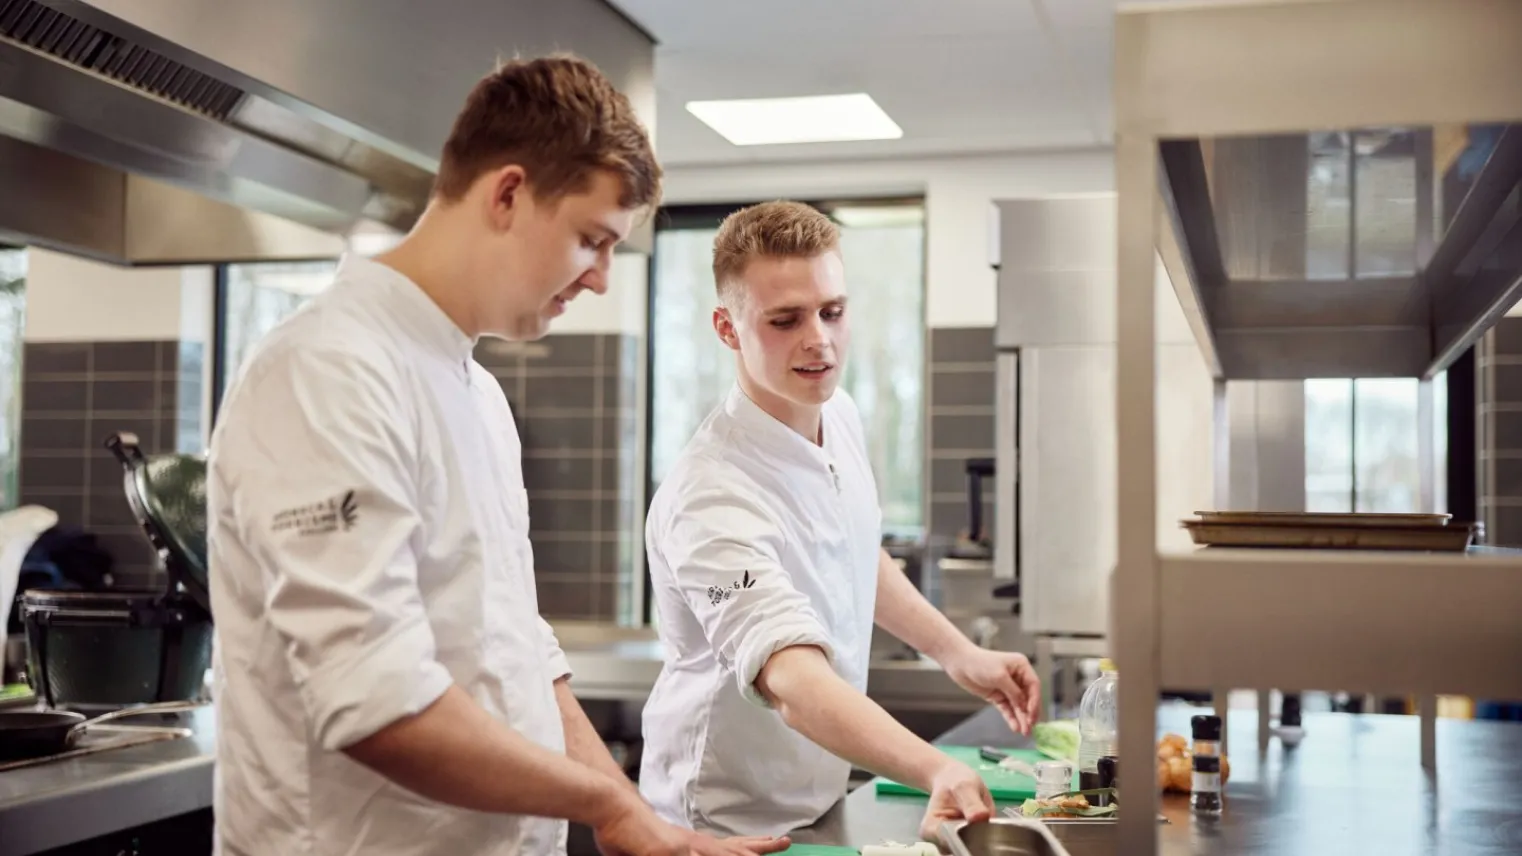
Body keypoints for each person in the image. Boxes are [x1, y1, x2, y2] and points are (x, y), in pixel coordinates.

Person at [206, 55, 788, 856]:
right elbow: (379, 704)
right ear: (508, 193)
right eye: (593, 240)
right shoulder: (326, 372)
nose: (600, 282)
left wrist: (631, 813)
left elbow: (521, 646)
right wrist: (606, 805)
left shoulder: (478, 396)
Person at [638, 201, 1044, 841]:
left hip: (819, 799)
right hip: (721, 824)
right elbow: (794, 682)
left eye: (832, 311)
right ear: (726, 326)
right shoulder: (710, 493)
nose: (818, 340)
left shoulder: (840, 415)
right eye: (785, 319)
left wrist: (958, 654)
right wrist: (932, 766)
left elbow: (854, 550)